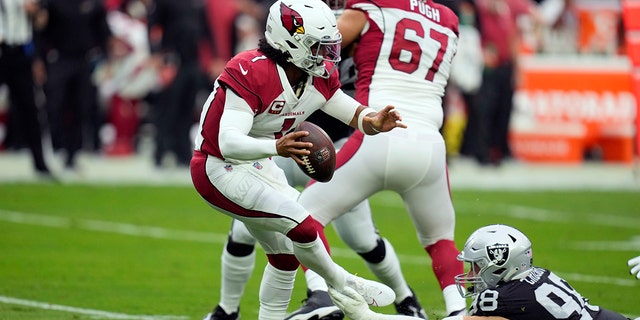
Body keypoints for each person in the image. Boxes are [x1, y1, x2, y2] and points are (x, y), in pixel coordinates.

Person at [190, 0, 406, 319]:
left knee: (286, 256)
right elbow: (228, 143)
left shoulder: (315, 76)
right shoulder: (251, 68)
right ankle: (346, 288)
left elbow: (350, 112)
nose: (327, 56)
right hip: (216, 167)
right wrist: (277, 147)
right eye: (318, 47)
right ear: (290, 42)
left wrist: (373, 121)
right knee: (301, 226)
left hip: (257, 163)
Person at [289, 0, 468, 318]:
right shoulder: (449, 19)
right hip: (428, 143)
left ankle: (324, 293)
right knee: (441, 241)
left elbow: (322, 48)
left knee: (299, 217)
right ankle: (458, 310)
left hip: (379, 132)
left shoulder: (373, 6)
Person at [329, 224, 637, 320]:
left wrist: (370, 318)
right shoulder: (536, 276)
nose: (470, 273)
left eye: (476, 266)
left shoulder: (501, 299)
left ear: (501, 263)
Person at [37, 0, 113, 171]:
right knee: (54, 104)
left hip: (84, 59)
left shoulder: (93, 4)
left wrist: (106, 60)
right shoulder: (53, 3)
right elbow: (42, 31)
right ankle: (57, 144)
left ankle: (72, 152)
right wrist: (39, 59)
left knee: (81, 107)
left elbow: (102, 31)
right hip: (59, 57)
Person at [0, 0, 53, 179]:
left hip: (22, 53)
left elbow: (41, 22)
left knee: (30, 109)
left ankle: (40, 163)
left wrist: (36, 11)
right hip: (2, 50)